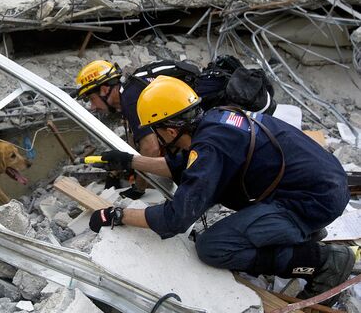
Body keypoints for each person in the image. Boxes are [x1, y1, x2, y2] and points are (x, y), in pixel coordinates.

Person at [88, 75, 353, 304]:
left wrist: (118, 215)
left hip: (311, 201)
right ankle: (299, 232)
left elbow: (175, 218)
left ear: (169, 131)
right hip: (320, 184)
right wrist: (131, 161)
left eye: (157, 132)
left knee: (213, 246)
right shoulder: (214, 121)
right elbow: (185, 165)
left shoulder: (211, 148)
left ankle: (325, 261)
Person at [72, 57, 276, 198]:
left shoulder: (131, 98)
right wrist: (118, 169)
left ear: (106, 89)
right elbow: (137, 138)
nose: (92, 106)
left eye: (91, 98)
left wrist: (139, 188)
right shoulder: (132, 89)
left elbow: (150, 147)